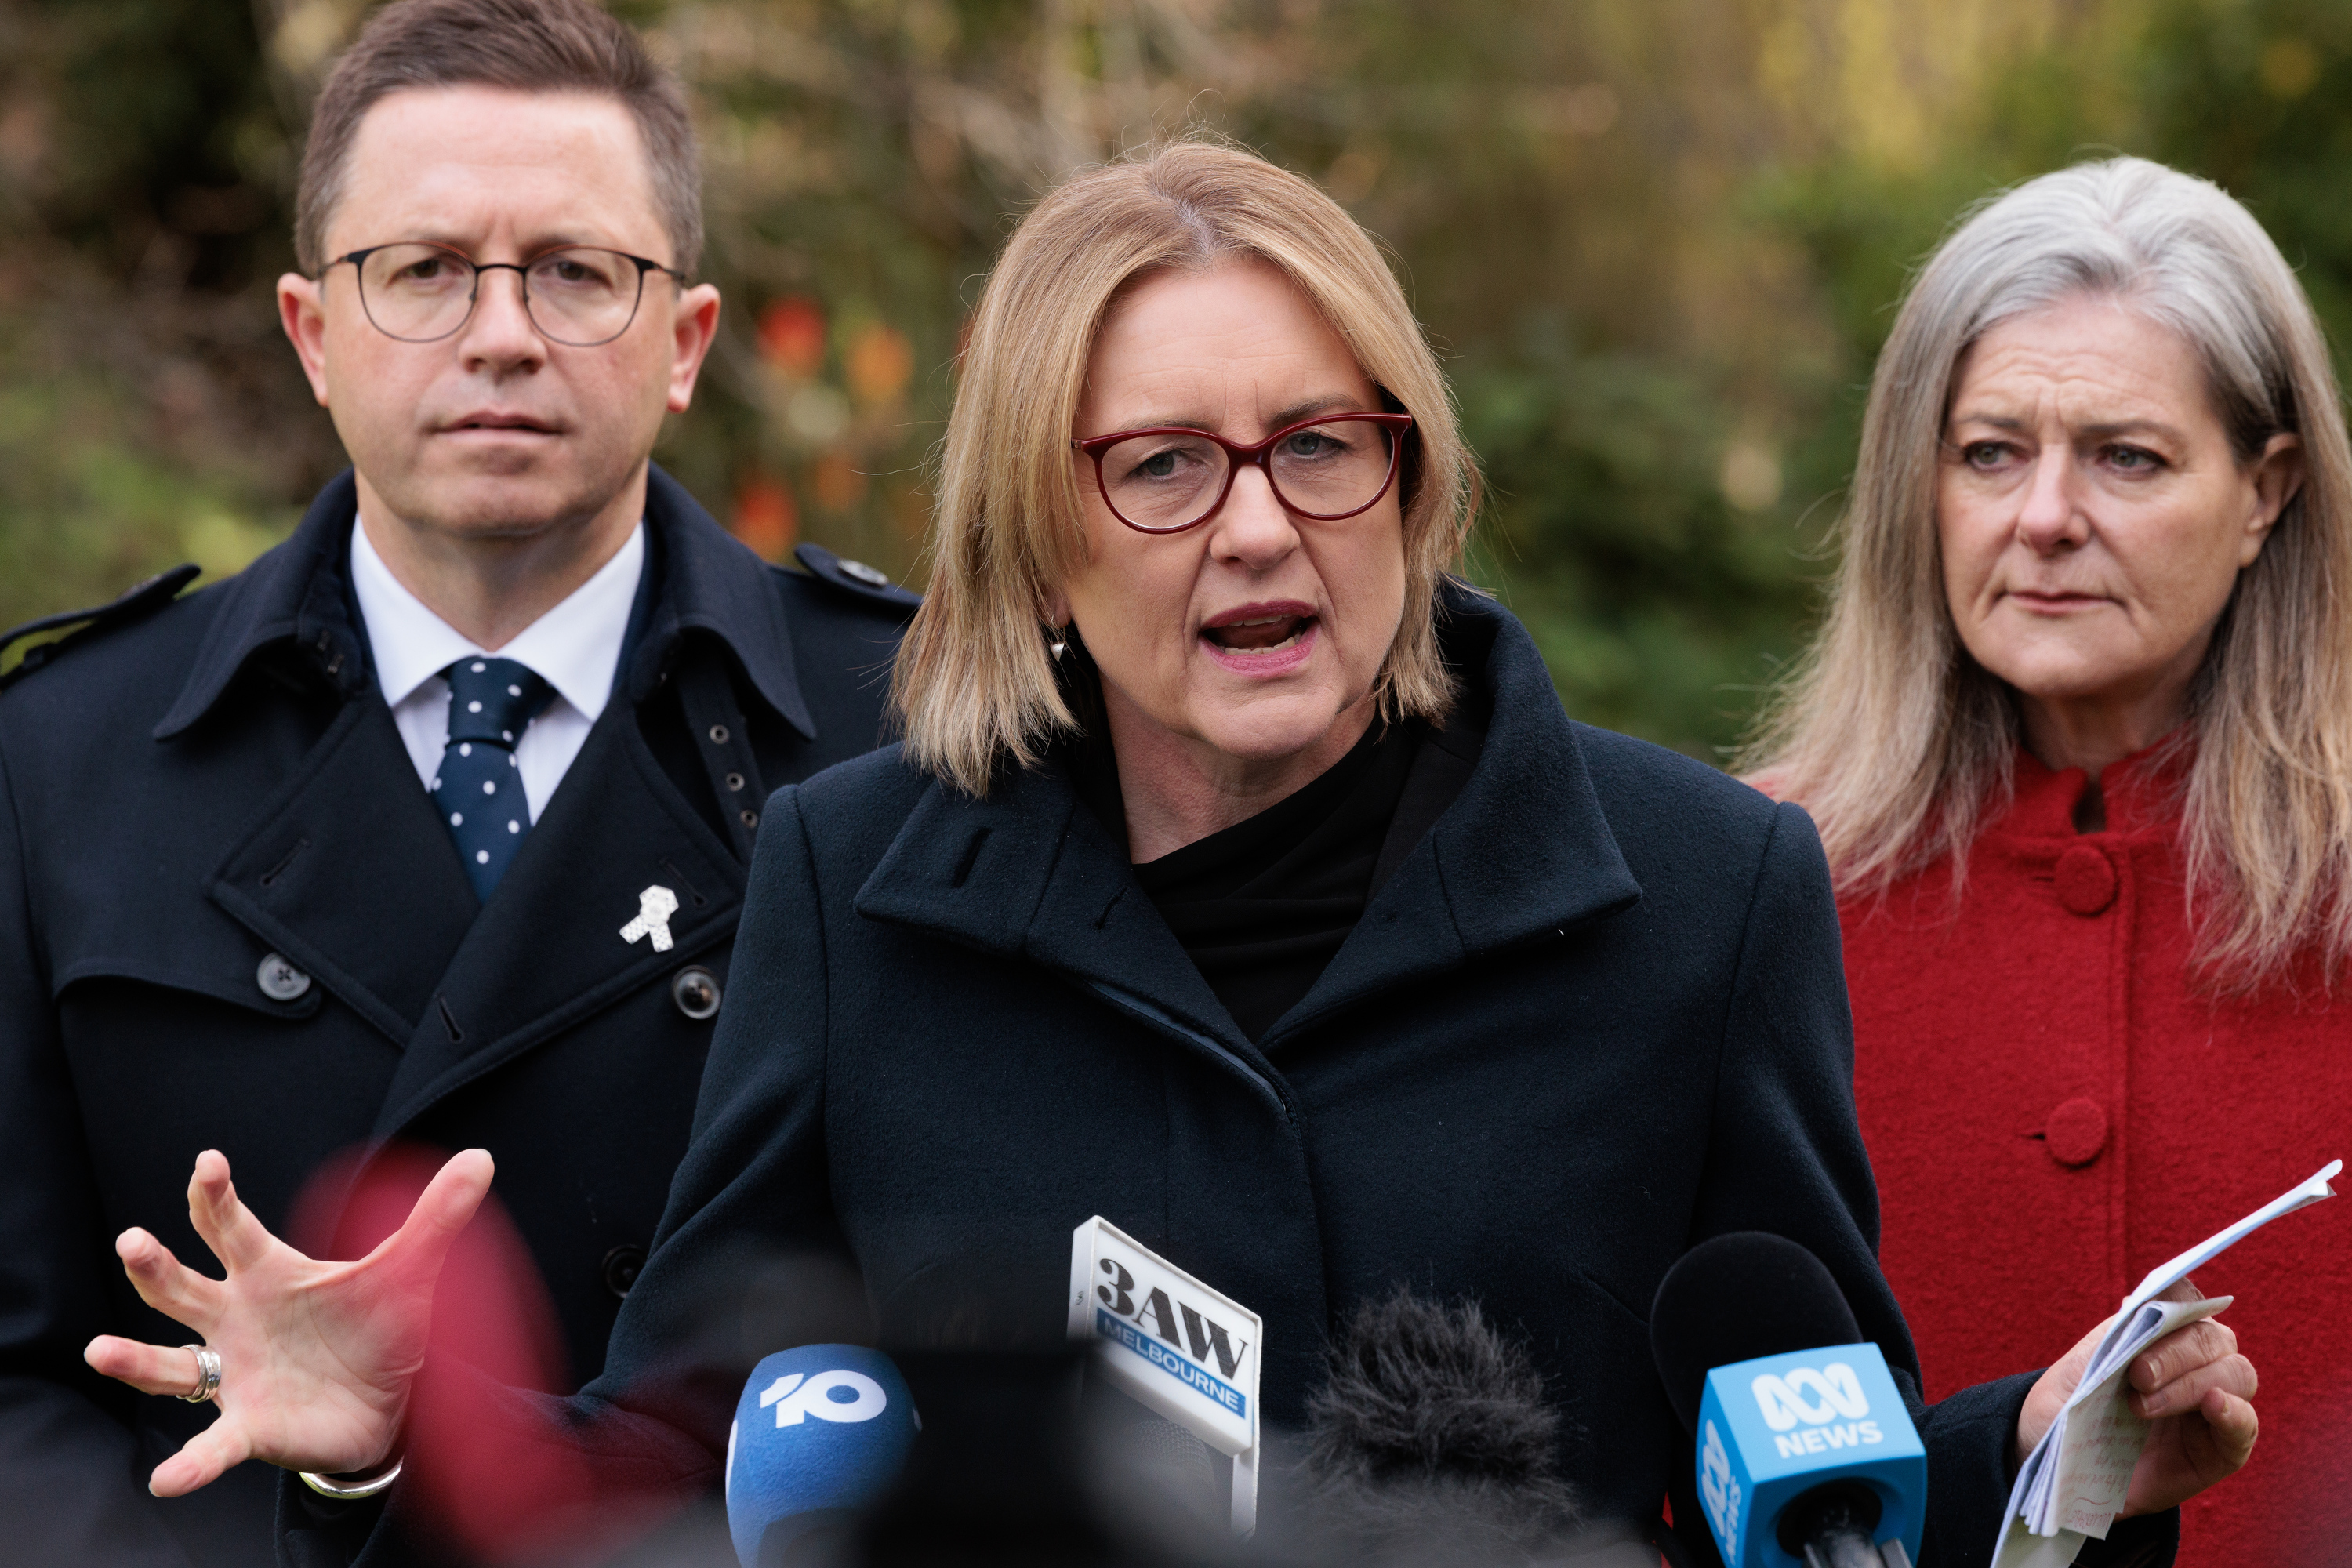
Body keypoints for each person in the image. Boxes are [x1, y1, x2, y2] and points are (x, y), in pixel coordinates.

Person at [85, 141, 2255, 1567]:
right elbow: (681, 1450)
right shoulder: (853, 887)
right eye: (1161, 467)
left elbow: (1812, 1465)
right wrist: (399, 1431)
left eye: (1320, 445)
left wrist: (2040, 1461)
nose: (1257, 525)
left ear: (1414, 481)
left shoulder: (1704, 893)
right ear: (1038, 539)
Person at [0, 2, 916, 1564]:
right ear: (313, 334)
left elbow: (982, 1318)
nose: (501, 333)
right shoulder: (61, 758)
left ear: (687, 343)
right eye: (423, 270)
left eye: (576, 271)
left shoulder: (903, 730)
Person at [1743, 156, 2351, 1562]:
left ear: (2265, 493)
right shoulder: (1753, 894)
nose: (2044, 516)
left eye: (2126, 456)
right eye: (1989, 452)